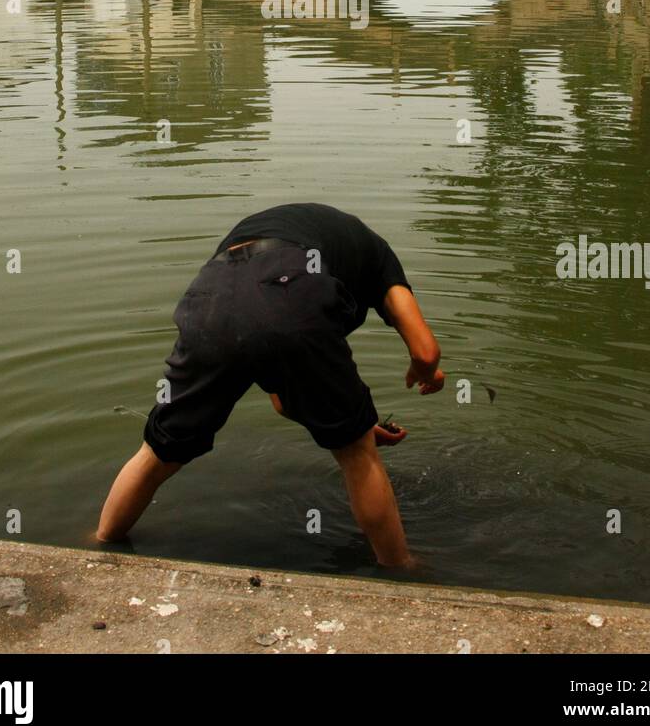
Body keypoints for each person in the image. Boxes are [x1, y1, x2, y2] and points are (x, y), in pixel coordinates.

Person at [97, 203, 444, 568]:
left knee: (159, 450)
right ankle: (401, 571)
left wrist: (347, 420)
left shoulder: (308, 235)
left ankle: (101, 541)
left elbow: (283, 395)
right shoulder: (379, 257)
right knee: (357, 457)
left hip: (209, 299)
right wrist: (427, 374)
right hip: (294, 289)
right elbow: (426, 351)